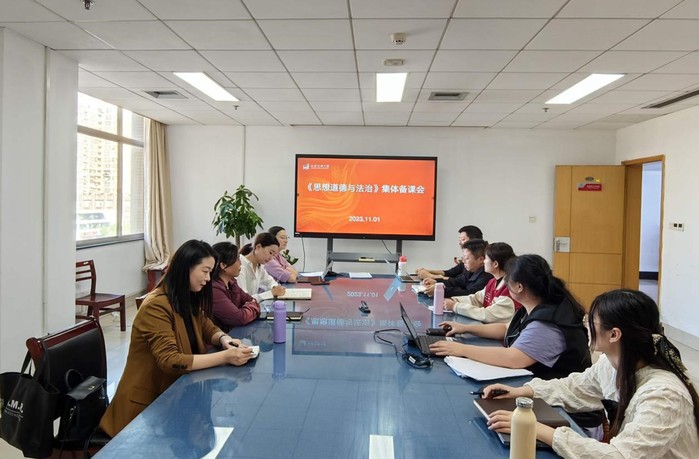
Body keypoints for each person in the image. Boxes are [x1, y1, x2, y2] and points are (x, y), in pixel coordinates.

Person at [484, 289, 699, 458]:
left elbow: (619, 456)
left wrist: (536, 429)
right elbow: (575, 387)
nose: (585, 323)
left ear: (614, 334)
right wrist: (523, 391)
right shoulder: (611, 364)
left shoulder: (664, 395)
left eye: (591, 320)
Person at [100, 240, 253, 437]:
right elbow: (171, 360)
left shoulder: (185, 296)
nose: (208, 279)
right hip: (147, 409)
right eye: (205, 271)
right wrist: (225, 357)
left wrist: (224, 339)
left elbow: (205, 325)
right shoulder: (156, 306)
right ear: (185, 268)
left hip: (176, 394)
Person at [430, 254, 591, 380]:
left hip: (557, 403)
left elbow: (514, 358)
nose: (505, 284)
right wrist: (466, 328)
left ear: (519, 287)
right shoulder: (535, 304)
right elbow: (506, 328)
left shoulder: (547, 322)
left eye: (508, 281)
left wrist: (461, 349)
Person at [442, 242, 520, 323]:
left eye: (486, 258)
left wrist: (455, 306)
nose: (484, 262)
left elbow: (487, 315)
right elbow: (476, 299)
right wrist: (453, 300)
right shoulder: (492, 282)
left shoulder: (510, 289)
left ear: (495, 264)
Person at [211, 241, 261, 328]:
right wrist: (253, 307)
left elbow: (250, 299)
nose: (240, 263)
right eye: (237, 259)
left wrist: (248, 307)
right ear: (223, 265)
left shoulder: (232, 282)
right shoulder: (214, 289)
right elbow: (240, 318)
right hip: (224, 335)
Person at [422, 238, 493, 297]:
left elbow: (469, 294)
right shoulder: (471, 270)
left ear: (481, 260)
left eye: (466, 258)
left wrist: (441, 290)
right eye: (463, 258)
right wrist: (437, 282)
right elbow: (458, 282)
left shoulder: (487, 276)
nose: (463, 261)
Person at [415, 225, 483, 280]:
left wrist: (430, 276)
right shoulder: (467, 261)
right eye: (459, 240)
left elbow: (460, 283)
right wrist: (427, 271)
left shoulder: (479, 265)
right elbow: (451, 273)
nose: (460, 243)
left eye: (463, 240)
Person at [237, 232, 286, 302]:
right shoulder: (240, 266)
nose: (271, 258)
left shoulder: (259, 266)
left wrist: (275, 288)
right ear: (258, 247)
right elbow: (244, 299)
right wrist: (271, 293)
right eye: (270, 253)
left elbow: (270, 281)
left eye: (273, 255)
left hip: (252, 307)